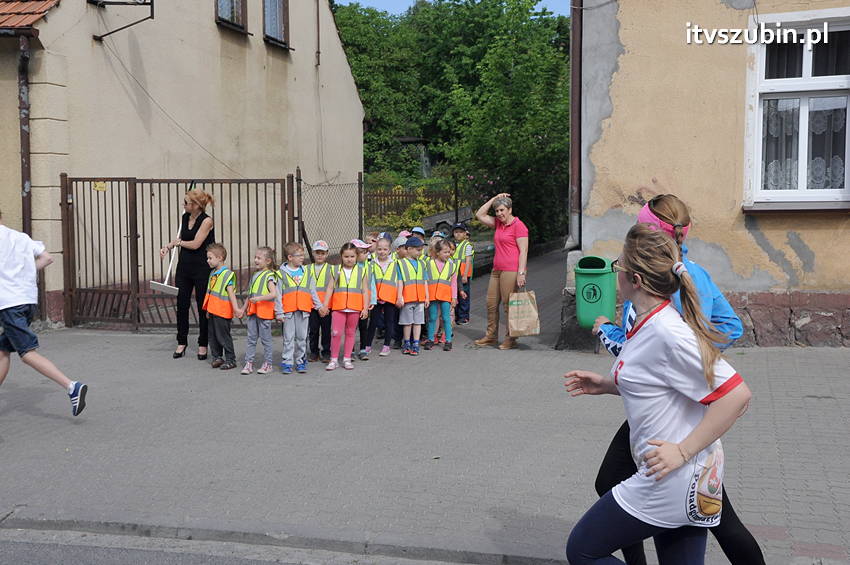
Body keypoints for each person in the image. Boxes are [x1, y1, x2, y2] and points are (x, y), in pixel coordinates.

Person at [563, 223, 753, 565]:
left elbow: (737, 396)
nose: (615, 274)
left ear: (635, 281)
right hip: (684, 479)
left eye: (618, 267)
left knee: (582, 549)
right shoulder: (647, 321)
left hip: (672, 478)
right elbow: (656, 380)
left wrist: (681, 451)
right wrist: (607, 385)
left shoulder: (668, 331)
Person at [0, 209, 88, 416]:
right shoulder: (20, 237)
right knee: (3, 350)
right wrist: (24, 275)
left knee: (27, 353)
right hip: (28, 301)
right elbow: (47, 258)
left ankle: (71, 386)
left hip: (9, 303)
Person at [159, 189, 216, 360]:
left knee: (201, 306)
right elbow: (180, 238)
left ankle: (203, 344)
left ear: (196, 205)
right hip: (184, 267)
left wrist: (179, 243)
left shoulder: (207, 221)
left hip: (201, 268)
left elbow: (196, 244)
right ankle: (181, 341)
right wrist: (168, 246)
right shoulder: (185, 217)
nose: (183, 205)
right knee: (182, 305)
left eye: (186, 202)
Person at [474, 193, 529, 350]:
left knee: (508, 306)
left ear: (510, 209)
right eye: (497, 211)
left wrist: (521, 273)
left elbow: (524, 251)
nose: (499, 214)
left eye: (502, 210)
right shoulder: (498, 223)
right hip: (496, 270)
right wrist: (494, 198)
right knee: (491, 303)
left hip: (511, 270)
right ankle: (491, 336)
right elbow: (479, 214)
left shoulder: (519, 226)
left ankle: (511, 338)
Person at [277, 242, 325, 374]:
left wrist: (319, 306)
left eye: (303, 255)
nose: (302, 258)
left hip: (303, 310)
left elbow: (312, 291)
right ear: (290, 257)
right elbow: (278, 294)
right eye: (299, 255)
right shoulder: (281, 273)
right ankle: (287, 362)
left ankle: (300, 361)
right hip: (288, 311)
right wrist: (279, 311)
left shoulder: (307, 272)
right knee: (288, 338)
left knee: (302, 338)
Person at [324, 242, 369, 371]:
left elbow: (365, 290)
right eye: (346, 256)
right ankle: (333, 359)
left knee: (350, 333)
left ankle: (347, 358)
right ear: (341, 257)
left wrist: (365, 308)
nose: (349, 259)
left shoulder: (362, 270)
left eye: (352, 256)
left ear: (356, 257)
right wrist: (325, 305)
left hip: (354, 308)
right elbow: (330, 288)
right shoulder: (335, 270)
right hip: (338, 307)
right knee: (336, 333)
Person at [238, 247, 278, 375]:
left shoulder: (270, 275)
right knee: (251, 338)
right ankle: (248, 363)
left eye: (258, 258)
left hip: (264, 313)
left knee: (266, 339)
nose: (255, 260)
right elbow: (250, 295)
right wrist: (243, 309)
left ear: (268, 261)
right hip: (252, 312)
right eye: (255, 257)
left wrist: (260, 299)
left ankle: (268, 363)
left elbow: (273, 294)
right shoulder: (255, 275)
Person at [202, 243, 240, 371]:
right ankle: (217, 357)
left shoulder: (227, 274)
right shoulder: (213, 273)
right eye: (207, 258)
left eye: (210, 258)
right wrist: (208, 309)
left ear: (220, 258)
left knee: (223, 336)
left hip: (222, 311)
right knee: (212, 336)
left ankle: (231, 359)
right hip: (213, 310)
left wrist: (236, 309)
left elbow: (231, 293)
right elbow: (211, 292)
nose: (208, 261)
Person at [366, 237, 403, 357]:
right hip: (375, 298)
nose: (382, 252)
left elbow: (399, 281)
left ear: (389, 250)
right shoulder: (371, 264)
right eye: (379, 249)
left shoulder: (395, 263)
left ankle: (386, 345)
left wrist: (399, 297)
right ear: (376, 250)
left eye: (385, 249)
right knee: (373, 322)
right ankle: (367, 345)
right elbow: (369, 281)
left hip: (390, 297)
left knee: (389, 322)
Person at [423, 239, 457, 352]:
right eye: (445, 252)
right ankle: (430, 339)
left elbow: (453, 283)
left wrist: (454, 297)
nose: (448, 254)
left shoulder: (452, 266)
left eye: (449, 252)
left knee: (446, 318)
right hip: (432, 295)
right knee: (432, 318)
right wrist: (426, 296)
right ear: (437, 252)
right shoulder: (429, 263)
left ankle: (448, 340)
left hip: (446, 296)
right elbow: (425, 280)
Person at [397, 236, 429, 356]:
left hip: (420, 298)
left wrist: (427, 296)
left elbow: (425, 280)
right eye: (418, 250)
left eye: (421, 250)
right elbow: (400, 281)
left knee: (418, 322)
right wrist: (400, 296)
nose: (420, 253)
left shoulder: (422, 264)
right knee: (407, 322)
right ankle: (407, 343)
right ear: (409, 249)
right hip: (408, 298)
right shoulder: (401, 263)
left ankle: (415, 343)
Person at [307, 241, 333, 363]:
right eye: (317, 253)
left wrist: (325, 306)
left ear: (327, 254)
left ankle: (326, 352)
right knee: (313, 330)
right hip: (312, 305)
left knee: (326, 330)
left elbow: (332, 288)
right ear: (313, 253)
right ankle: (314, 352)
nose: (320, 256)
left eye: (322, 253)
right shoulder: (307, 269)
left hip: (326, 305)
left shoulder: (331, 269)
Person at [351, 239, 376, 360]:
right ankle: (350, 350)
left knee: (363, 326)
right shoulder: (349, 268)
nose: (367, 254)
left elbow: (372, 285)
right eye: (364, 252)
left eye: (367, 252)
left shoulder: (369, 266)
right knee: (351, 327)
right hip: (352, 302)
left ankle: (363, 349)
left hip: (364, 302)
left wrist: (373, 300)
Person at [452, 222, 474, 325]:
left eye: (461, 232)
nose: (458, 234)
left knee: (464, 296)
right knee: (456, 295)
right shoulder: (455, 245)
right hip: (456, 275)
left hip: (464, 275)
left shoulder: (467, 245)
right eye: (456, 232)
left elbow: (468, 260)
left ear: (465, 233)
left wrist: (465, 275)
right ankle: (457, 316)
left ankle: (464, 317)